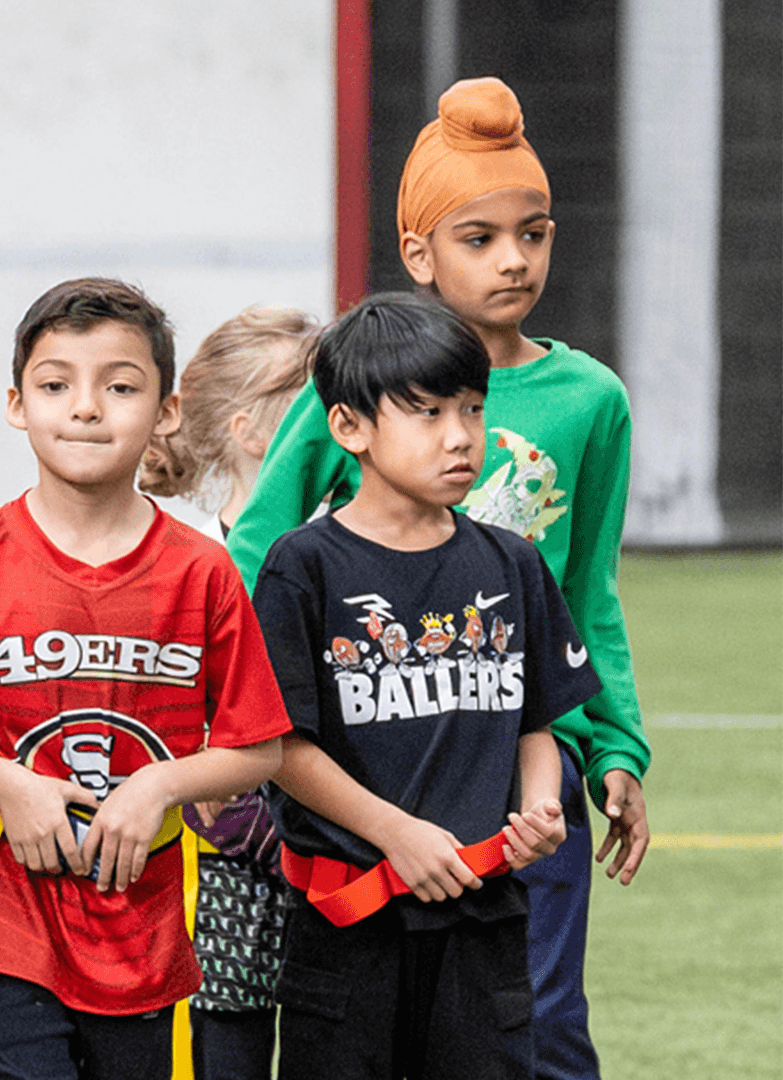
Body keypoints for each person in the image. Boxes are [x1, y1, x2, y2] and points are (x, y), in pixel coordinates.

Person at [224, 76, 649, 1080]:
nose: (515, 258)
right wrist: (233, 725)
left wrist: (617, 748)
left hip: (522, 772)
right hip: (378, 767)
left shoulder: (591, 399)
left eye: (534, 232)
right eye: (480, 236)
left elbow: (587, 591)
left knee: (538, 1027)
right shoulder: (360, 382)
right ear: (417, 252)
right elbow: (259, 549)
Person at [0, 278, 290, 1080]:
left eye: (120, 386)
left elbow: (257, 749)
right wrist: (10, 788)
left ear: (166, 409)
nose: (86, 408)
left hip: (146, 926)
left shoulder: (203, 573)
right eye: (56, 385)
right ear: (17, 404)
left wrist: (159, 786)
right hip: (5, 916)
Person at [253, 292, 600, 1079]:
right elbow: (281, 746)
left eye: (473, 411)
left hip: (485, 921)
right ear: (349, 428)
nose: (460, 438)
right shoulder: (302, 568)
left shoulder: (512, 561)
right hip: (349, 923)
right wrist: (393, 832)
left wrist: (539, 806)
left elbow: (534, 721)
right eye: (428, 413)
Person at [144, 305, 319, 1079]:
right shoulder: (184, 562)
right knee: (226, 1049)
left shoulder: (350, 552)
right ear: (254, 432)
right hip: (223, 871)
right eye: (314, 402)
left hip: (336, 853)